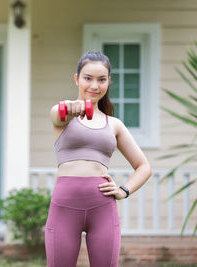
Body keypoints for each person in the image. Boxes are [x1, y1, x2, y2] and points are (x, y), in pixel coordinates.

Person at [45, 51, 152, 267]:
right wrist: (72, 108)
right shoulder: (64, 116)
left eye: (101, 80)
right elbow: (57, 113)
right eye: (88, 78)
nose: (94, 86)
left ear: (108, 82)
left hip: (102, 208)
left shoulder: (114, 124)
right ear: (76, 79)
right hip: (64, 208)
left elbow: (144, 167)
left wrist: (124, 190)